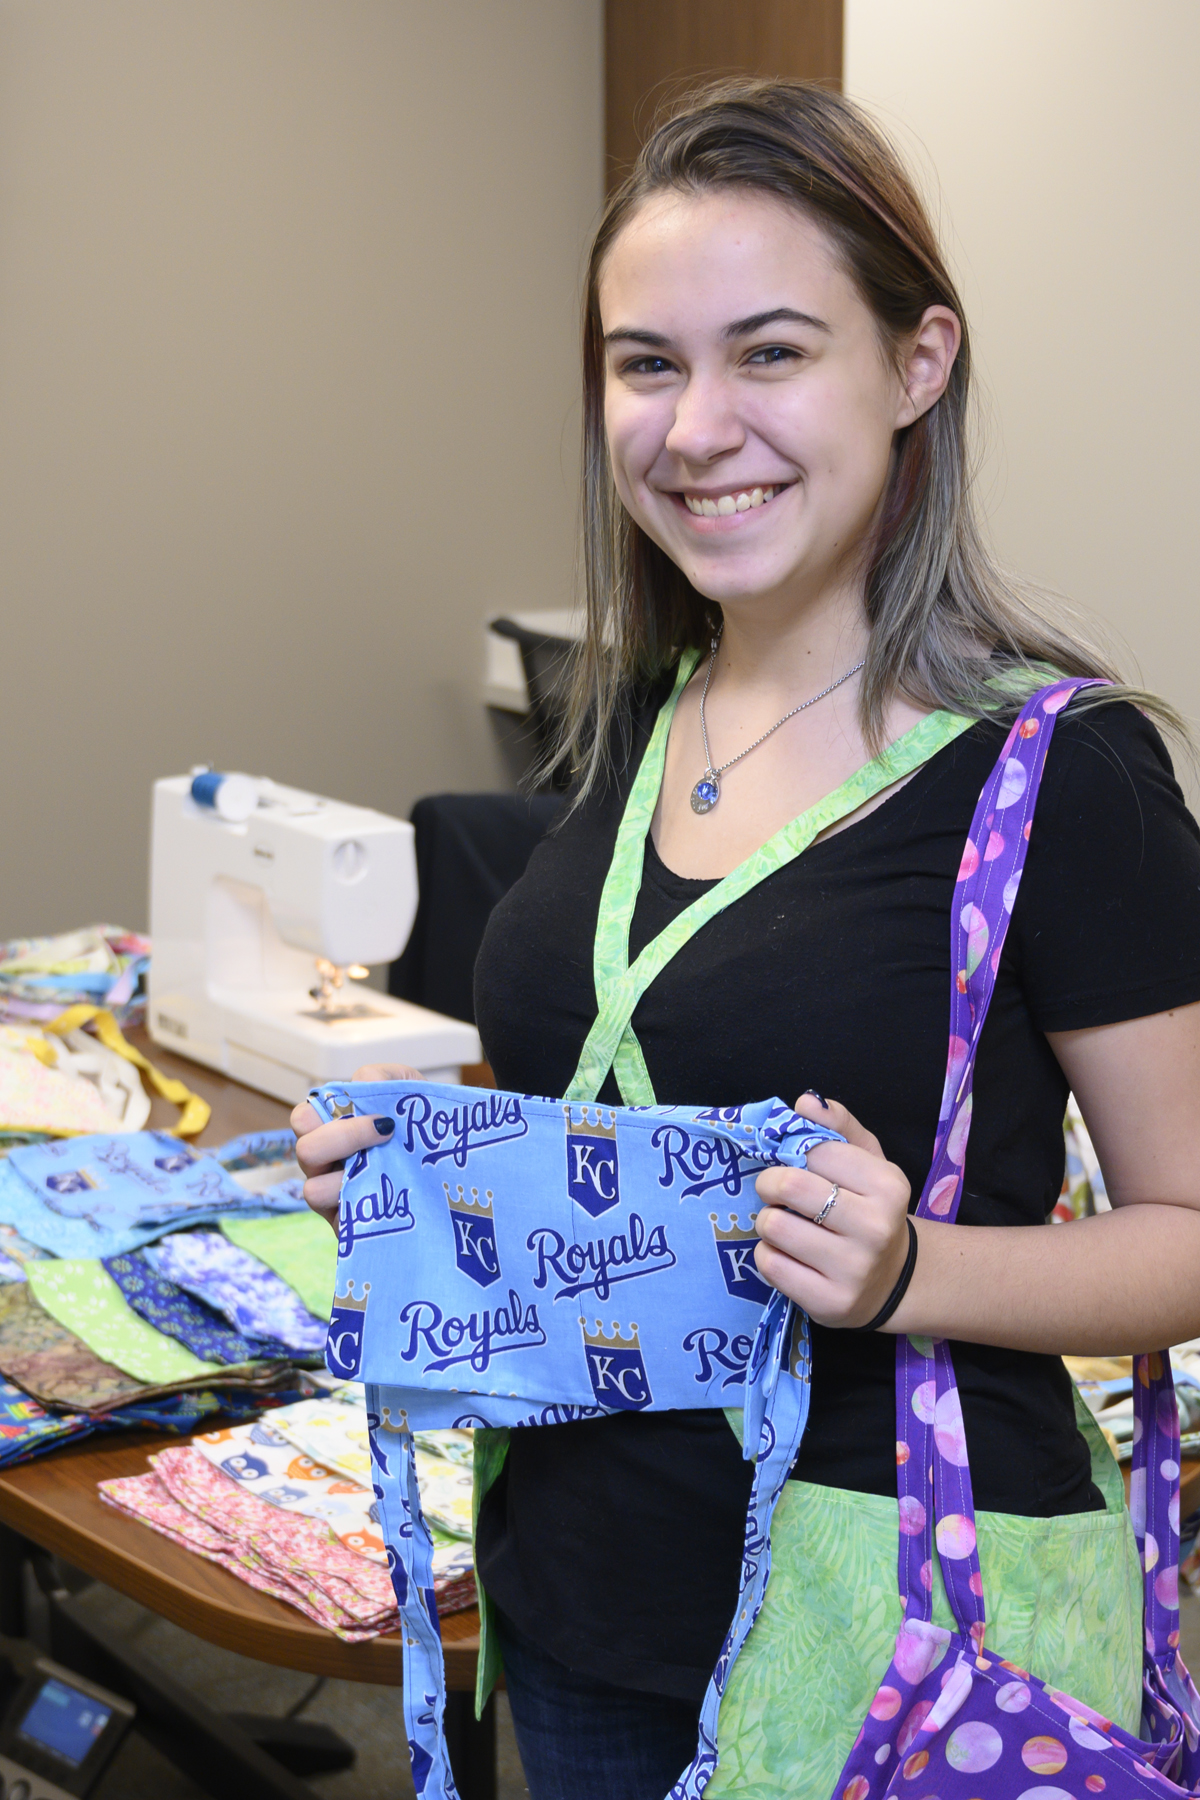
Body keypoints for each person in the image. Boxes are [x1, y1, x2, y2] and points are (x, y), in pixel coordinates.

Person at [292, 80, 1200, 1800]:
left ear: (917, 363)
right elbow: (645, 1093)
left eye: (770, 352)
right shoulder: (638, 715)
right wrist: (445, 1178)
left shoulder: (1057, 774)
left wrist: (917, 1270)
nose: (697, 424)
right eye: (647, 364)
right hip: (575, 1597)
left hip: (898, 1632)